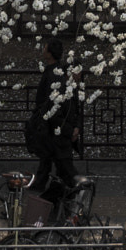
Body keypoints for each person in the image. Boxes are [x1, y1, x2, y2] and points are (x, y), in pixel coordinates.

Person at [25, 42, 82, 225]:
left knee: (55, 174)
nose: (79, 76)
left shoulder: (63, 82)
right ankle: (49, 212)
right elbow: (55, 112)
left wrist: (74, 128)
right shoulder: (60, 83)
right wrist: (69, 130)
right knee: (64, 174)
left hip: (57, 137)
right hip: (56, 138)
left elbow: (70, 111)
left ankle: (46, 211)